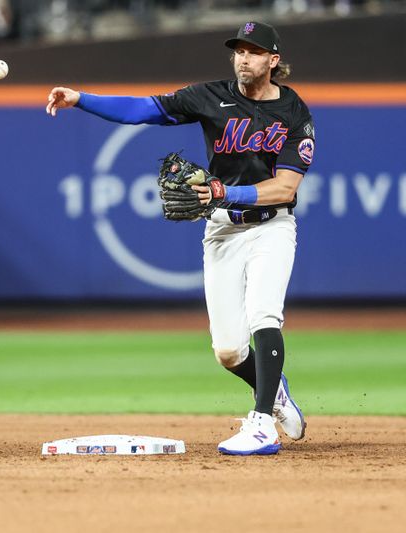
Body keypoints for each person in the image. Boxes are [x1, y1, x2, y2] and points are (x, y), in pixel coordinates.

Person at [46, 21, 313, 455]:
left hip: (271, 224)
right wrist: (80, 99)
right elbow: (142, 110)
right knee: (228, 351)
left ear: (273, 61)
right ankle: (274, 390)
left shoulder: (294, 112)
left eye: (253, 51)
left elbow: (285, 187)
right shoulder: (210, 97)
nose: (243, 58)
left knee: (264, 315)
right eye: (238, 51)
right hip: (223, 228)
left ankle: (262, 423)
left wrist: (227, 190)